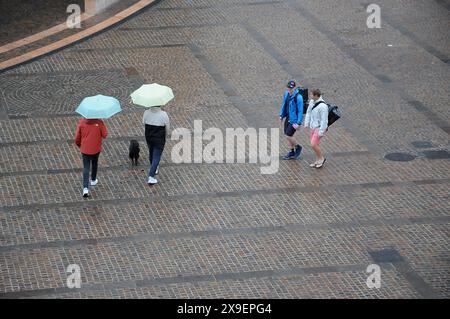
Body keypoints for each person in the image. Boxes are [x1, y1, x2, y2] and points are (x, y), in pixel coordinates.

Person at [75, 118, 108, 197]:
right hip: (96, 148)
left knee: (86, 167)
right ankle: (93, 180)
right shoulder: (99, 122)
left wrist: (80, 145)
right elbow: (105, 134)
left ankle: (85, 188)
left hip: (85, 149)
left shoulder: (82, 122)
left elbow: (77, 137)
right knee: (94, 163)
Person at [143, 105, 170, 185]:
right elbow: (167, 127)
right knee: (157, 156)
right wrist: (166, 135)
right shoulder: (163, 114)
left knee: (151, 152)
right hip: (159, 138)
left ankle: (154, 168)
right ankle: (151, 176)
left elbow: (143, 122)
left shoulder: (146, 112)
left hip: (149, 136)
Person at [278, 80, 303, 160]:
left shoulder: (298, 97)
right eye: (288, 88)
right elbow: (284, 104)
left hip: (294, 120)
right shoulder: (286, 94)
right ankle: (291, 151)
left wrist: (299, 123)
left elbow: (300, 111)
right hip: (288, 117)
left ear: (294, 88)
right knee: (288, 135)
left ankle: (298, 147)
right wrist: (281, 115)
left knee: (288, 135)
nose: (289, 89)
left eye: (291, 88)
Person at [304, 89, 328, 168]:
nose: (310, 96)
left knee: (313, 144)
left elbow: (324, 120)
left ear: (316, 96)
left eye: (311, 95)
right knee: (315, 144)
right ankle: (318, 159)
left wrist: (321, 132)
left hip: (319, 128)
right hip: (312, 126)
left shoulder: (323, 106)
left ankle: (321, 158)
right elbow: (308, 113)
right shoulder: (312, 102)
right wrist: (306, 124)